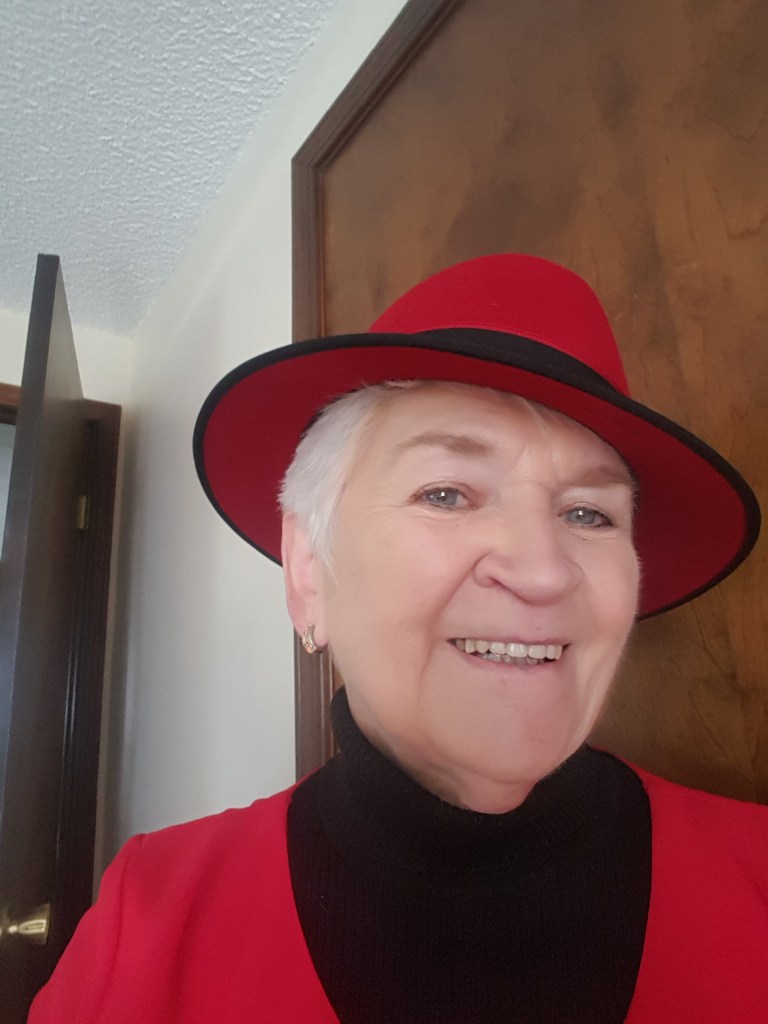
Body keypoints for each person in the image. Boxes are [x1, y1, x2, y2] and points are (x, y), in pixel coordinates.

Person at [29, 254, 768, 1023]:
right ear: (308, 571)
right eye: (445, 493)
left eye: (590, 514)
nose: (545, 572)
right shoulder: (149, 921)